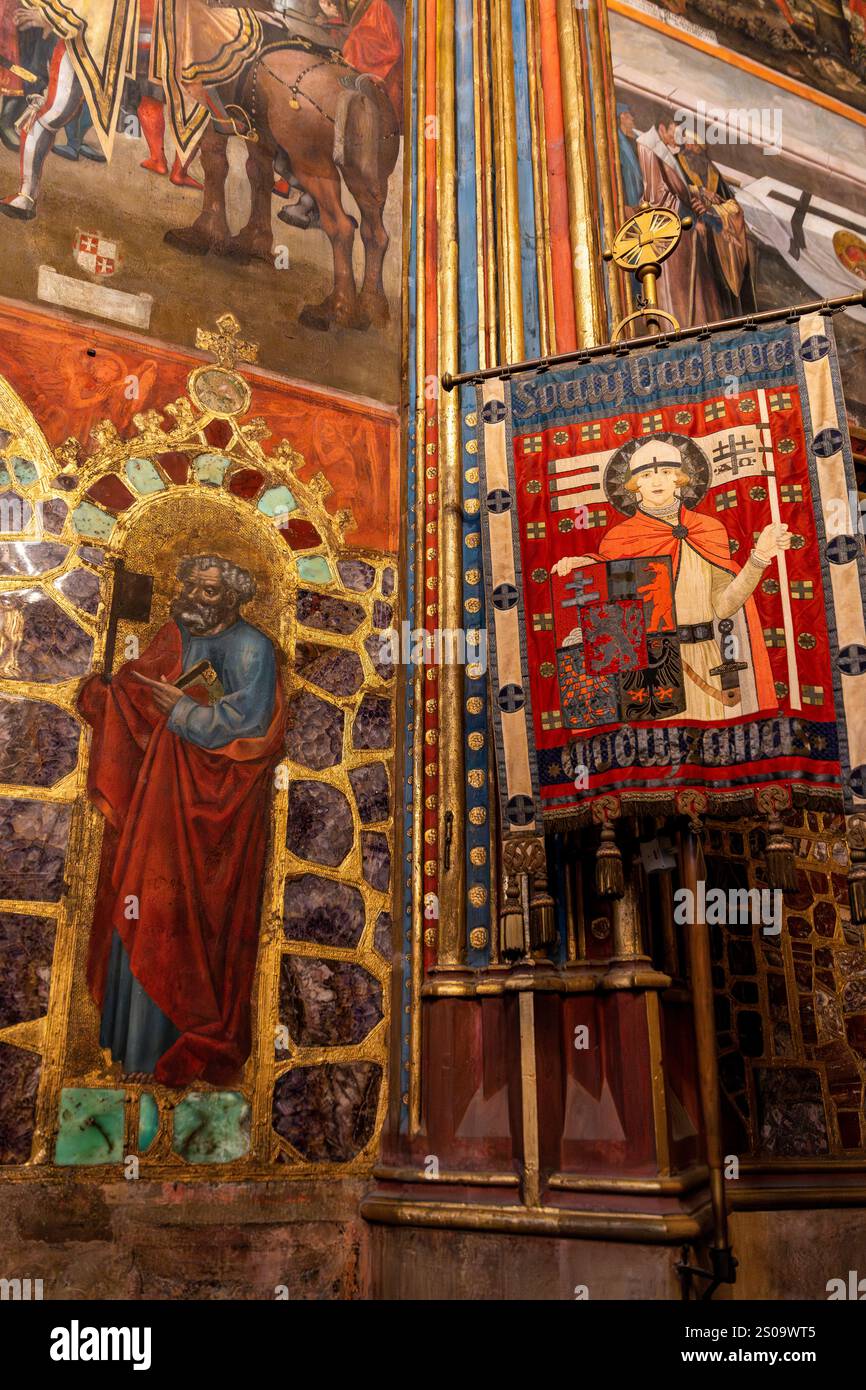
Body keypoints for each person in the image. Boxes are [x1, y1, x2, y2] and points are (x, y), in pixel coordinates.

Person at [77, 554, 286, 1086]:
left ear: (236, 596)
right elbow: (141, 691)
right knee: (143, 899)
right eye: (190, 588)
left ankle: (178, 1040)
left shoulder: (253, 648)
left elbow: (253, 727)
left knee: (186, 920)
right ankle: (134, 1046)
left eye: (210, 592)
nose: (196, 599)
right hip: (160, 806)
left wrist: (184, 713)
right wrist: (111, 696)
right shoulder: (177, 636)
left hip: (215, 817)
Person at [552, 437, 789, 720]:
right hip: (649, 670)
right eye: (647, 474)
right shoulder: (619, 539)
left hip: (705, 659)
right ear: (635, 484)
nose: (657, 481)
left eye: (666, 472)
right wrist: (584, 567)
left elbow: (724, 607)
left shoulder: (708, 530)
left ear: (679, 479)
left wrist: (758, 559)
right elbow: (609, 607)